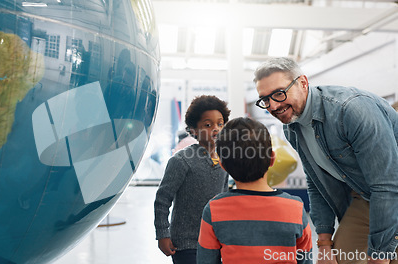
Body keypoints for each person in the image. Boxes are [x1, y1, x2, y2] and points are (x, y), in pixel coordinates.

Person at [253, 57, 398, 264]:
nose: (273, 106)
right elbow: (316, 181)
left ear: (303, 83)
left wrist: (379, 255)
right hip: (364, 196)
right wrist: (324, 244)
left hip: (390, 190)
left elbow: (387, 185)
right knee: (338, 260)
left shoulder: (351, 110)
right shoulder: (292, 127)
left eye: (279, 93)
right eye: (265, 99)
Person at [197, 117, 313, 264]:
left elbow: (205, 260)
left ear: (223, 166)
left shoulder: (214, 209)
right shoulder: (295, 208)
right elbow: (305, 259)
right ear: (272, 159)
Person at [154, 95, 231, 264]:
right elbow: (162, 199)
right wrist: (162, 234)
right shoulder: (181, 160)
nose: (216, 129)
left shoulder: (225, 159)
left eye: (220, 123)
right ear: (194, 130)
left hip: (215, 241)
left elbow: (224, 198)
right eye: (208, 125)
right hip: (185, 244)